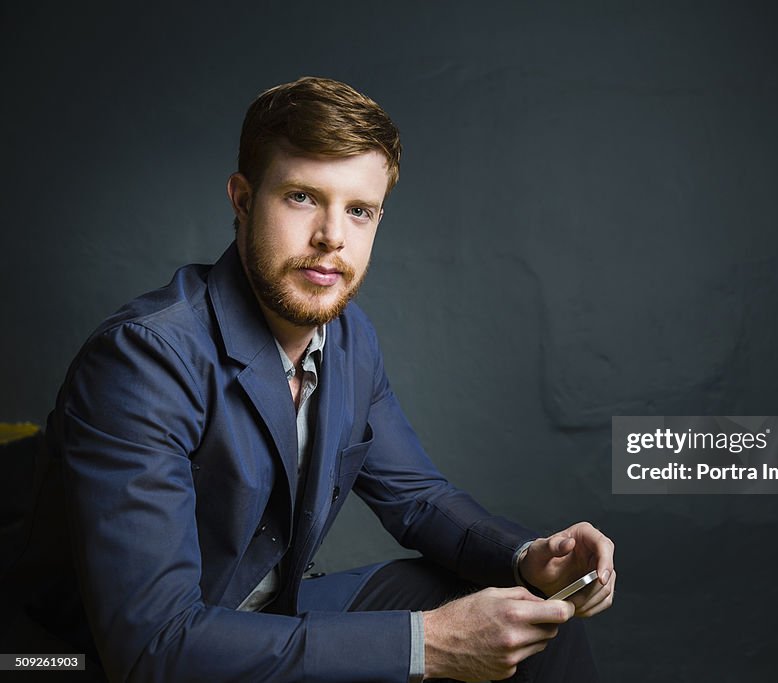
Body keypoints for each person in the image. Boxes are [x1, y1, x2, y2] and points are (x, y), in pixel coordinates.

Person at [5, 77, 615, 682]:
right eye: (301, 197)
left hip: (271, 617)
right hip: (101, 658)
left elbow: (419, 498)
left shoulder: (349, 340)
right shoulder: (143, 359)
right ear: (242, 199)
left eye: (359, 210)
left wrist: (530, 558)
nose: (332, 238)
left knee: (533, 623)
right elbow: (152, 646)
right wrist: (428, 644)